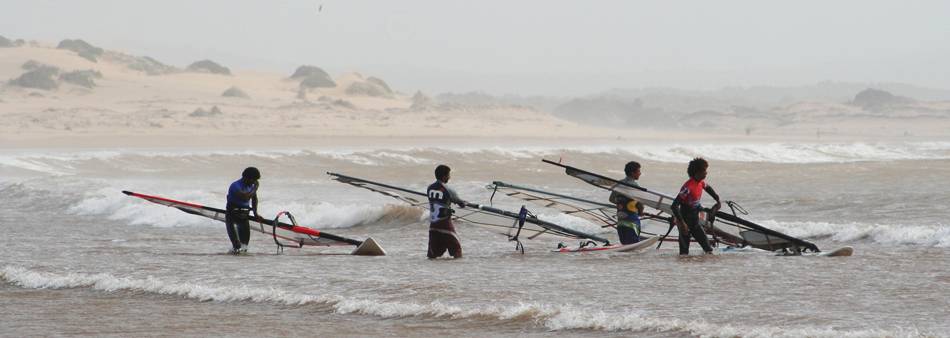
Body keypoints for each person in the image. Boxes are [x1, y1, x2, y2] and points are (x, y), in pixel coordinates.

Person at [671, 158, 721, 255]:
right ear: (697, 172)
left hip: (695, 221)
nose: (706, 173)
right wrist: (682, 224)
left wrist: (717, 199)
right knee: (684, 254)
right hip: (684, 220)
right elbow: (674, 206)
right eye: (704, 170)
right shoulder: (687, 187)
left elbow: (708, 188)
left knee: (708, 249)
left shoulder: (701, 182)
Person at [426, 164, 467, 259]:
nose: (450, 177)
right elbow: (460, 203)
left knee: (433, 255)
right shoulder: (448, 189)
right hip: (445, 225)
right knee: (457, 251)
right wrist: (464, 202)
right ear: (444, 177)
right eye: (449, 175)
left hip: (433, 226)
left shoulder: (429, 188)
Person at [226, 167, 261, 254]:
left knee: (244, 246)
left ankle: (242, 266)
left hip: (244, 217)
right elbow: (245, 197)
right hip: (232, 217)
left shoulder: (251, 186)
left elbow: (254, 199)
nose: (254, 182)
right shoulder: (235, 186)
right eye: (253, 180)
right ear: (246, 178)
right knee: (237, 245)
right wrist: (255, 188)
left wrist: (255, 213)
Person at [608, 161, 644, 245]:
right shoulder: (635, 186)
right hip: (632, 223)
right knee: (633, 248)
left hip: (620, 223)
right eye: (638, 171)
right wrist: (641, 212)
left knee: (625, 248)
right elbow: (640, 204)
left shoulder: (618, 184)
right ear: (632, 173)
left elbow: (611, 199)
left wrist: (622, 204)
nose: (640, 173)